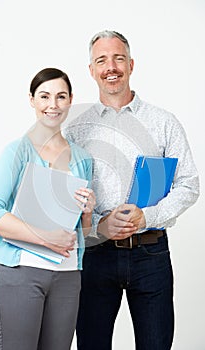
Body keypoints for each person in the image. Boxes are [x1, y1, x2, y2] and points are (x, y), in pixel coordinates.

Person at [64, 30, 200, 350]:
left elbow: (189, 182)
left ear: (131, 64)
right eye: (102, 60)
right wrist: (100, 224)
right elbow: (65, 192)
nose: (111, 66)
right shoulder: (75, 128)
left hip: (151, 255)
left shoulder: (163, 122)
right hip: (95, 256)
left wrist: (148, 215)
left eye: (118, 58)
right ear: (91, 70)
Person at [0, 67, 96, 350]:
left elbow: (85, 233)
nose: (52, 105)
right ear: (32, 100)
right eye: (44, 96)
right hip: (21, 272)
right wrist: (46, 238)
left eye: (60, 96)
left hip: (68, 276)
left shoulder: (82, 158)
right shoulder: (17, 151)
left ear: (70, 100)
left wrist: (89, 211)